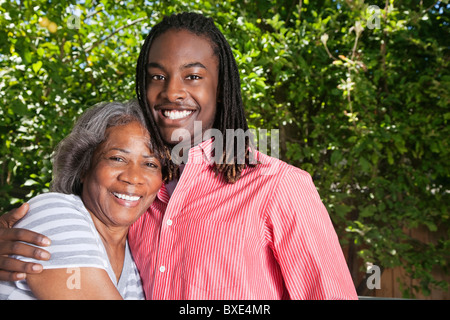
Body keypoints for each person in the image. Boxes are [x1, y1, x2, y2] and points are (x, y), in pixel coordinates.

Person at [0, 12, 357, 299]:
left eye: (193, 76)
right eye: (158, 76)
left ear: (221, 87)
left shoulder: (279, 187)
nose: (172, 92)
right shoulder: (136, 198)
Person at [0, 100, 163, 299]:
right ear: (84, 167)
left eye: (150, 164)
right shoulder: (56, 214)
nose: (133, 177)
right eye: (117, 158)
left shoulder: (138, 266)